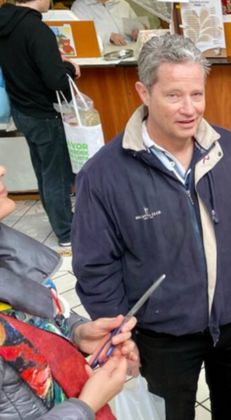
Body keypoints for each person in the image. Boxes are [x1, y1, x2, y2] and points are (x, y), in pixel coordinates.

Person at [72, 35, 231, 420]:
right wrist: (121, 333)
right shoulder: (104, 175)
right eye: (174, 96)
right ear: (143, 92)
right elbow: (95, 267)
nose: (190, 109)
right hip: (161, 338)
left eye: (197, 94)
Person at [0, 165, 138, 420]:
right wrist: (84, 406)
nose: (2, 169)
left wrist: (76, 333)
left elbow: (32, 317)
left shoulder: (8, 251)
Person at [0, 0, 79, 248]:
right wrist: (70, 68)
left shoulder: (6, 23)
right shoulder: (36, 29)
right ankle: (66, 231)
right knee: (56, 175)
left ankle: (60, 221)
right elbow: (56, 80)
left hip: (23, 110)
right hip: (45, 113)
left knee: (44, 172)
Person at [71, 0, 139, 47]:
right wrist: (108, 36)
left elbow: (137, 25)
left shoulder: (123, 4)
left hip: (130, 52)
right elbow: (82, 36)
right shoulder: (80, 7)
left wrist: (138, 32)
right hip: (102, 57)